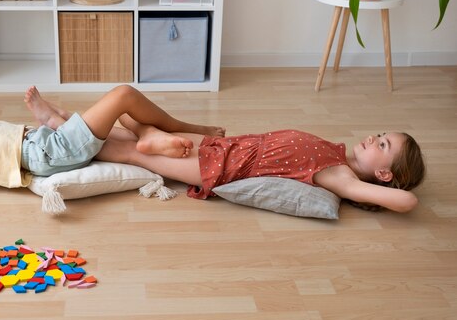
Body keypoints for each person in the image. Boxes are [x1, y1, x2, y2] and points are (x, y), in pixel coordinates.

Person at [0, 85, 224, 207]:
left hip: (40, 141)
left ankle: (149, 137)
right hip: (42, 155)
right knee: (123, 95)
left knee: (127, 121)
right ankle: (180, 131)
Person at [91, 115, 426, 214]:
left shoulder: (343, 177)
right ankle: (66, 124)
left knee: (135, 153)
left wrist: (372, 190)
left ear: (384, 172)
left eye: (382, 144)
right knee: (134, 133)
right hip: (228, 147)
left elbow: (407, 201)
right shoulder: (337, 153)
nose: (372, 137)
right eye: (380, 133)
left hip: (221, 168)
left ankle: (65, 140)